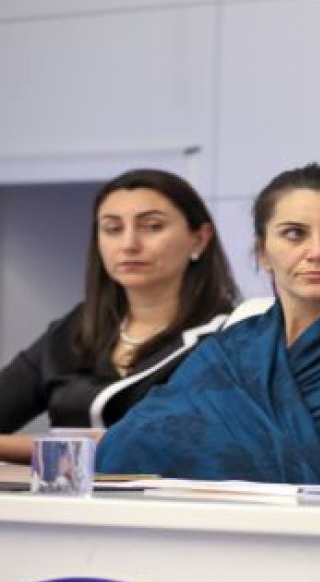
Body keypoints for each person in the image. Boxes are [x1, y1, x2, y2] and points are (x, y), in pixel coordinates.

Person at [96, 164, 320, 484]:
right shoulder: (232, 343)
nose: (318, 252)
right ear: (263, 252)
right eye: (294, 234)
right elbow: (126, 443)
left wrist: (184, 442)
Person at [0, 169, 239, 463]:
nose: (129, 244)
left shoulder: (232, 335)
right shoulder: (73, 329)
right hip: (62, 494)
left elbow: (148, 443)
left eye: (152, 227)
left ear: (200, 239)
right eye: (113, 229)